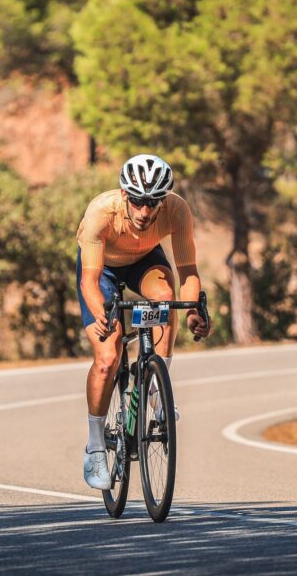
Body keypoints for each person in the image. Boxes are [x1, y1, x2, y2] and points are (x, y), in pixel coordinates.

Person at [76, 153, 211, 490]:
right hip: (102, 268)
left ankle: (155, 384)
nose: (145, 212)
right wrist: (102, 314)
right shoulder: (101, 212)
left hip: (145, 261)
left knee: (166, 297)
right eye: (137, 201)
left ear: (163, 200)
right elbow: (89, 282)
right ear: (125, 196)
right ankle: (94, 446)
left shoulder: (177, 210)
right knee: (108, 358)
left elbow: (188, 272)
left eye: (153, 203)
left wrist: (193, 309)